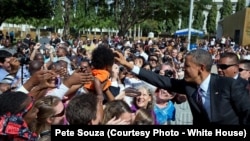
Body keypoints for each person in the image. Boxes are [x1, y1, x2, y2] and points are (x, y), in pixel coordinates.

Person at [114, 49, 250, 125]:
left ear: (201, 68)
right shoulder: (188, 86)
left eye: (187, 67)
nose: (182, 69)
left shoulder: (228, 85)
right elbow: (160, 80)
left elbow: (247, 113)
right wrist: (129, 65)